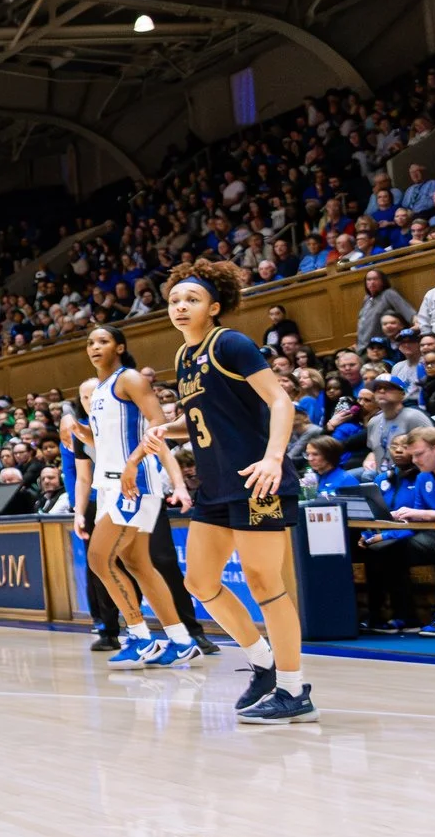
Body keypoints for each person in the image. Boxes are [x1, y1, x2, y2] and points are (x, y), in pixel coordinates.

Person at [134, 261, 313, 723]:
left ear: (214, 307)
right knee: (200, 583)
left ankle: (295, 690)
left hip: (256, 479)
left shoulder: (229, 343)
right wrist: (164, 431)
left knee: (264, 584)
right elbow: (199, 421)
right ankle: (263, 663)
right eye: (174, 300)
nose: (180, 306)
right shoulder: (183, 357)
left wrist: (274, 458)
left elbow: (279, 400)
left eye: (191, 299)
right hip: (215, 485)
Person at [74, 325, 203, 669]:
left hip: (134, 482)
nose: (95, 347)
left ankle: (141, 638)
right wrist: (79, 431)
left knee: (100, 559)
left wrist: (136, 464)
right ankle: (180, 640)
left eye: (102, 341)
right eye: (90, 343)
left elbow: (158, 426)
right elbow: (108, 442)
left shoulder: (128, 378)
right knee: (137, 564)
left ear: (119, 346)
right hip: (112, 484)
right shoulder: (98, 389)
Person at [358, 427, 435, 637]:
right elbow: (418, 519)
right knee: (386, 550)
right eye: (412, 455)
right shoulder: (423, 477)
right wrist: (385, 535)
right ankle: (405, 616)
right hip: (429, 534)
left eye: (419, 454)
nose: (414, 460)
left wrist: (424, 514)